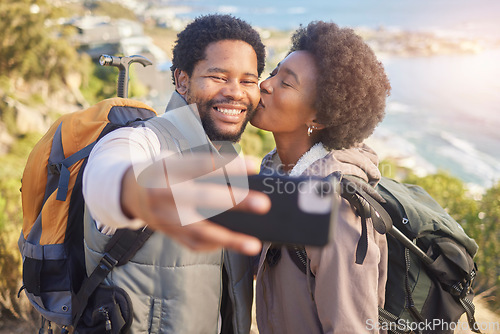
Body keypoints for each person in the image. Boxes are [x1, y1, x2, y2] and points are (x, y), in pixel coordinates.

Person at [82, 14, 270, 333]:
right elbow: (106, 180)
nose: (236, 92)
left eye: (248, 81)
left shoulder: (229, 161)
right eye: (218, 76)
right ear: (182, 81)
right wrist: (140, 195)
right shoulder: (140, 141)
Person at [250, 21, 391, 333]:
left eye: (286, 84)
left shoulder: (334, 206)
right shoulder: (276, 170)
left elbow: (350, 326)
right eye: (274, 72)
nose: (266, 84)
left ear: (321, 116)